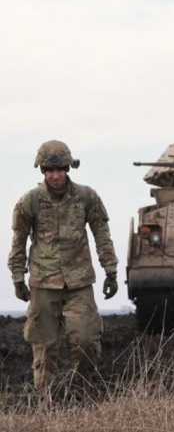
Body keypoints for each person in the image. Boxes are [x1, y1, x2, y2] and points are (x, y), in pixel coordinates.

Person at [7, 140, 119, 390]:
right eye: (50, 170)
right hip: (44, 282)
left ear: (68, 169)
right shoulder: (29, 202)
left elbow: (102, 235)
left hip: (79, 282)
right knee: (44, 347)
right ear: (42, 171)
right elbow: (18, 242)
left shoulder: (86, 197)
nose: (56, 176)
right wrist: (17, 277)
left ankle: (81, 391)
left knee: (87, 339)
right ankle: (45, 399)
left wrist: (110, 270)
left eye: (60, 170)